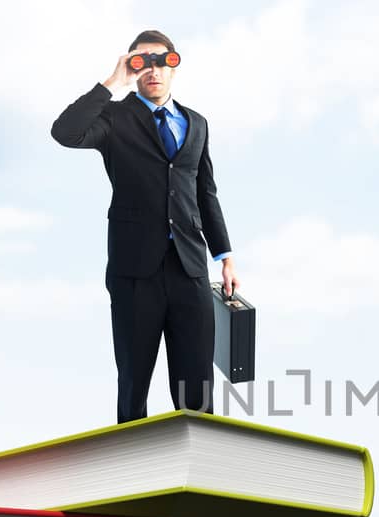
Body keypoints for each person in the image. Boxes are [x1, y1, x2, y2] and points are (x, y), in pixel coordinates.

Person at [51, 29, 241, 424]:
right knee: (134, 383)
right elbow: (65, 132)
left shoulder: (197, 123)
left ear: (175, 65)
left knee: (197, 388)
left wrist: (225, 256)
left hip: (189, 268)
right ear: (133, 67)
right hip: (135, 271)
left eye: (161, 60)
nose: (153, 69)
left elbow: (206, 194)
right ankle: (134, 475)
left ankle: (198, 475)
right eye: (142, 61)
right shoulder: (115, 117)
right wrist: (111, 83)